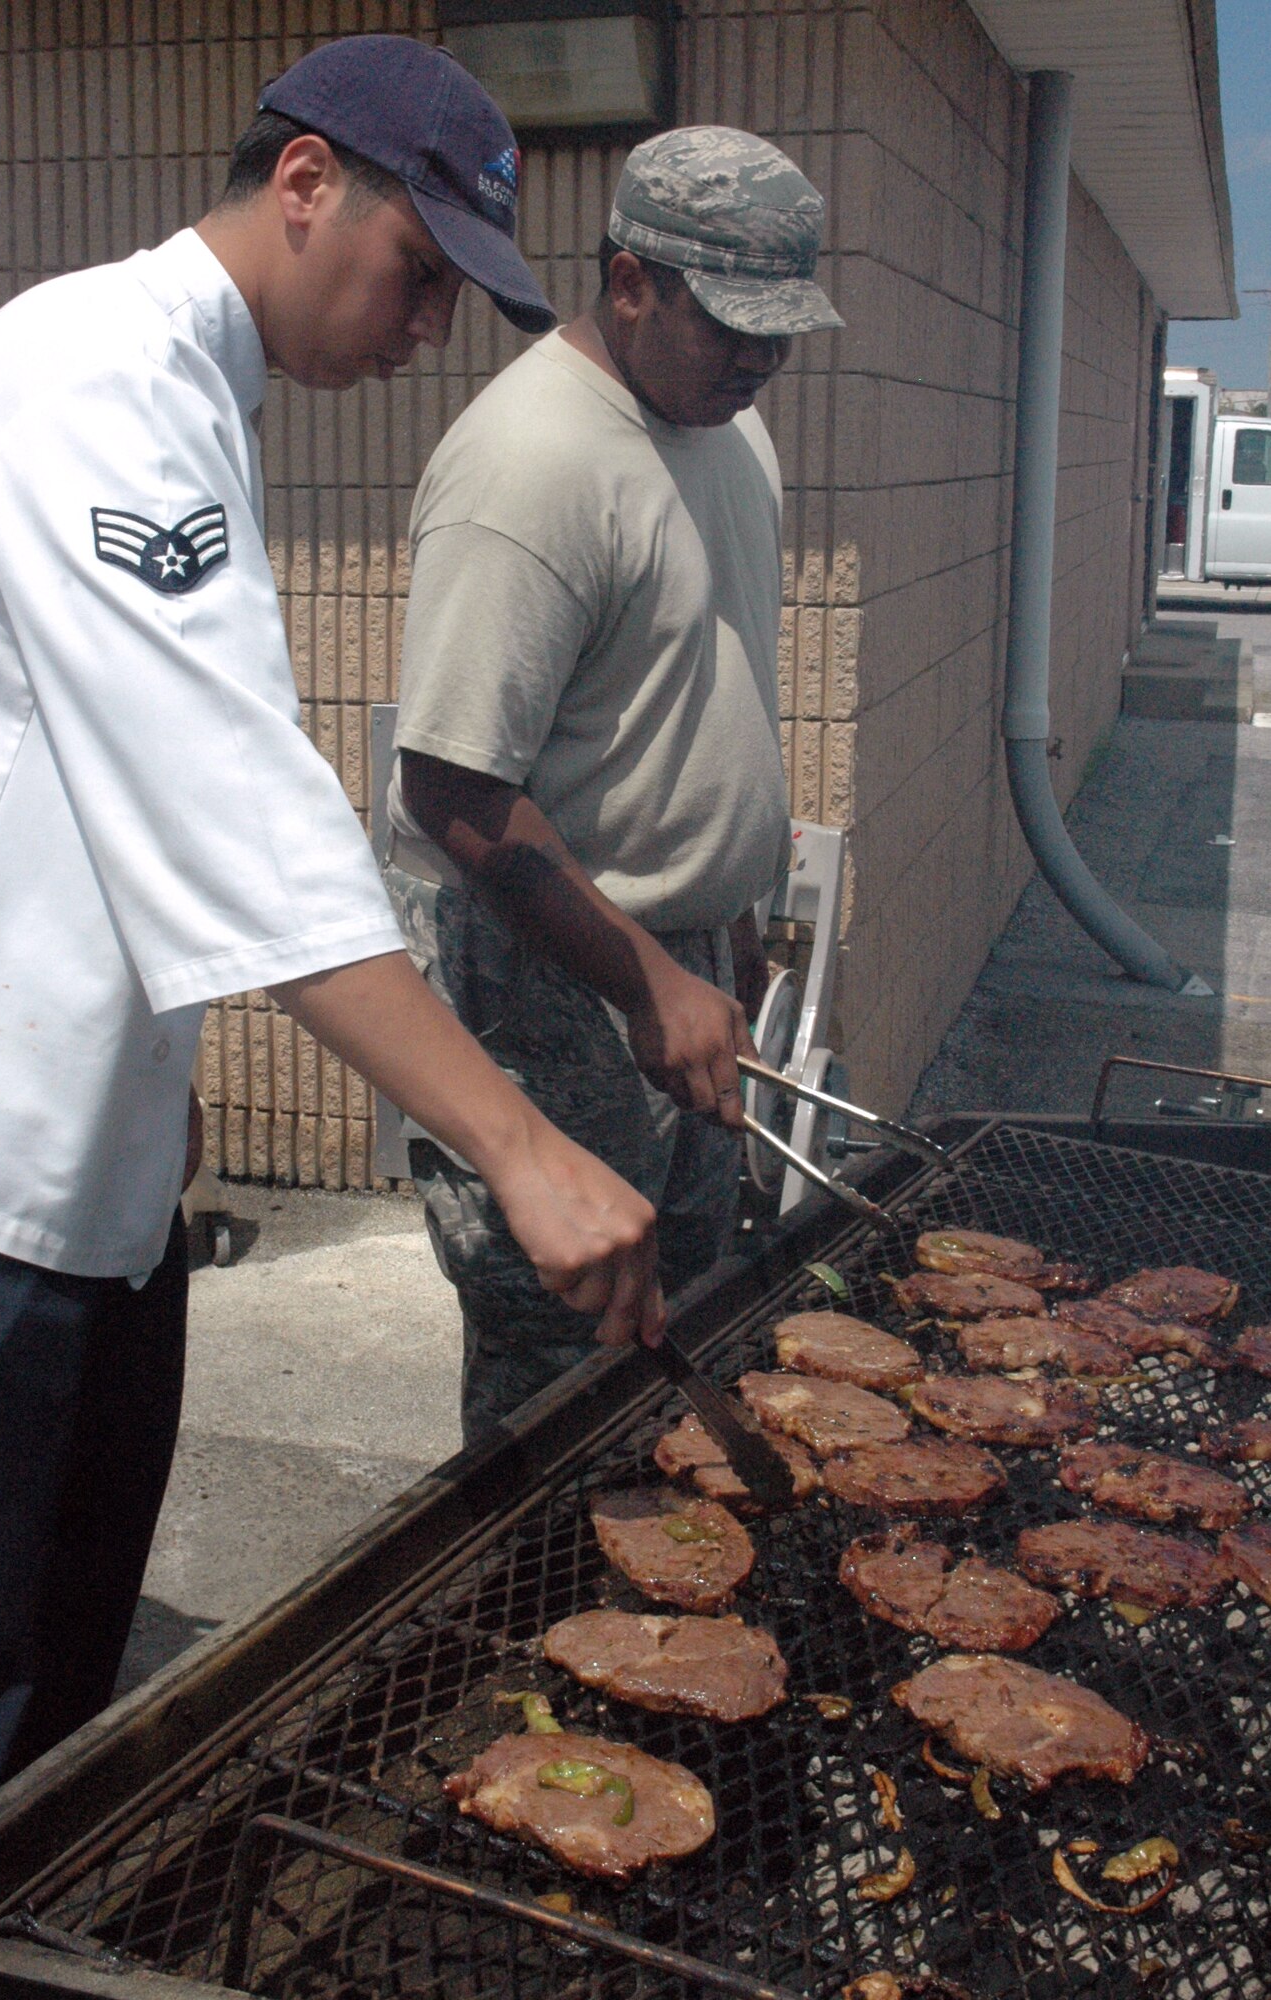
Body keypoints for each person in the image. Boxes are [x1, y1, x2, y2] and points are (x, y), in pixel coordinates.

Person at [0, 38, 666, 2000]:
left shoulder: (196, 398)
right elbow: (232, 812)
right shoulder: (94, 382)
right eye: (422, 271)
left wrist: (149, 1095)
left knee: (43, 1716)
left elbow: (105, 797)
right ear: (307, 181)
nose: (425, 329)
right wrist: (516, 1139)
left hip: (72, 1167)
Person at [385, 127, 844, 1442]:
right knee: (566, 1353)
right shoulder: (528, 462)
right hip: (553, 979)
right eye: (731, 327)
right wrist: (645, 980)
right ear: (630, 281)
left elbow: (706, 695)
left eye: (780, 333)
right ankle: (533, 1620)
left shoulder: (730, 433)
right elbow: (452, 788)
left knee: (689, 1310)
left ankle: (665, 1608)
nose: (760, 362)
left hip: (688, 958)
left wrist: (729, 943)